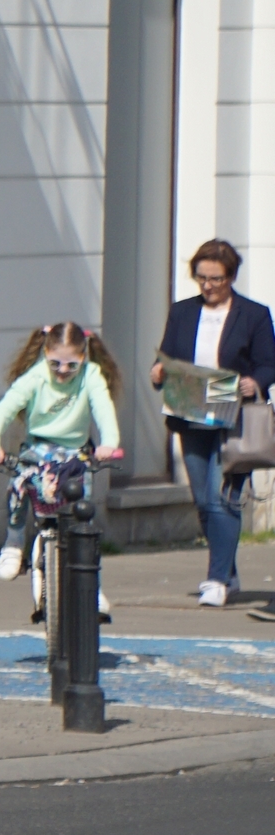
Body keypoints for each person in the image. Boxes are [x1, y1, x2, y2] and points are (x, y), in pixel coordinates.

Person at [150, 239, 275, 607]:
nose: (208, 286)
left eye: (216, 279)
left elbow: (268, 362)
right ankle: (228, 572)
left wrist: (258, 381)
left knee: (223, 499)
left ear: (231, 277)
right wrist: (158, 372)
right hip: (190, 412)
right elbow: (168, 355)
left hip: (233, 412)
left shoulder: (253, 314)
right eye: (202, 278)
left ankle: (217, 579)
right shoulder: (182, 312)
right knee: (204, 500)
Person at [0, 322, 124, 584]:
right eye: (55, 363)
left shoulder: (91, 376)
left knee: (82, 513)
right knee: (19, 484)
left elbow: (103, 409)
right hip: (38, 447)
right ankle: (14, 541)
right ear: (46, 353)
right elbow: (4, 410)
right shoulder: (35, 377)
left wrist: (109, 443)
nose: (63, 371)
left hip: (75, 452)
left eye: (71, 365)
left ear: (82, 357)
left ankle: (91, 587)